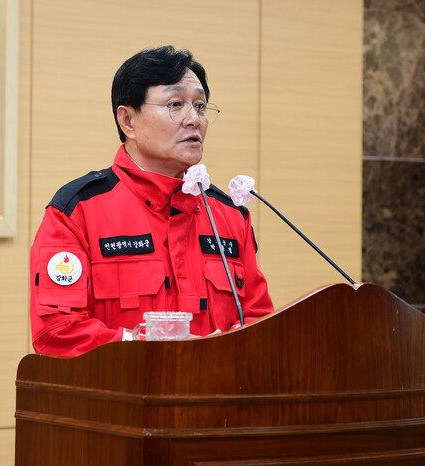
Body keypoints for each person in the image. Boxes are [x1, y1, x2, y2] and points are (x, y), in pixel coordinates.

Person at [29, 45, 274, 357]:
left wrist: (220, 351)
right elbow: (58, 332)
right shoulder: (77, 211)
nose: (194, 119)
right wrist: (152, 350)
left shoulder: (229, 215)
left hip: (218, 388)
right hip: (121, 388)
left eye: (200, 106)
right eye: (176, 104)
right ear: (128, 121)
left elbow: (260, 323)